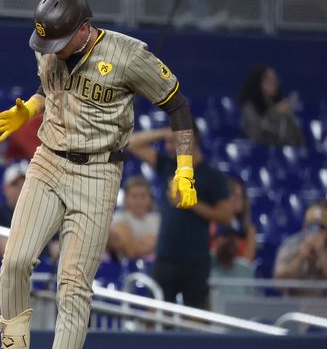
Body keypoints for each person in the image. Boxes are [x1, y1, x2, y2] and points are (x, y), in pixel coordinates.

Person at [0, 0, 198, 349]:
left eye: (58, 42)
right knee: (14, 261)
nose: (50, 51)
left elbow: (176, 103)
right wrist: (29, 110)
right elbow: (48, 88)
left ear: (83, 29)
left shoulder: (128, 55)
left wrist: (185, 166)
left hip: (98, 173)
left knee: (72, 284)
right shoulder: (49, 45)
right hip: (48, 160)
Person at [128, 126, 232, 309]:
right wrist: (165, 131)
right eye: (167, 142)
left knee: (196, 319)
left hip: (196, 259)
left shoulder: (213, 176)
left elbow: (225, 216)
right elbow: (131, 143)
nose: (167, 147)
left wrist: (190, 201)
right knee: (155, 314)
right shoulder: (169, 165)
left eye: (172, 142)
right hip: (165, 256)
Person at [273, 202, 327, 291]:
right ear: (304, 228)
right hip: (294, 304)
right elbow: (279, 284)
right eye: (311, 227)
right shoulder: (290, 246)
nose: (315, 233)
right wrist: (300, 258)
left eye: (321, 227)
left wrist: (322, 255)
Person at [237, 64, 304, 147]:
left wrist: (289, 117)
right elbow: (256, 135)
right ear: (257, 82)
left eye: (275, 78)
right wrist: (275, 113)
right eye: (268, 79)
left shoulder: (281, 106)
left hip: (283, 154)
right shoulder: (249, 108)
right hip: (258, 154)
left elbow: (298, 139)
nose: (273, 82)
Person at [108, 176, 161, 261]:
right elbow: (131, 251)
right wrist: (156, 241)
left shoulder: (158, 219)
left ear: (149, 198)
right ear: (126, 198)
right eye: (134, 196)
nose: (139, 201)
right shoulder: (118, 218)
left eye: (143, 196)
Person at [0, 161, 29, 258]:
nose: (21, 189)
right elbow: (7, 252)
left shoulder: (42, 213)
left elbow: (55, 249)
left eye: (26, 184)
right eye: (15, 185)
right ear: (5, 189)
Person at [210, 224, 255, 297]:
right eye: (227, 235)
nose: (232, 240)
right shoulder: (205, 265)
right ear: (215, 239)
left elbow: (250, 304)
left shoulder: (245, 270)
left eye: (236, 237)